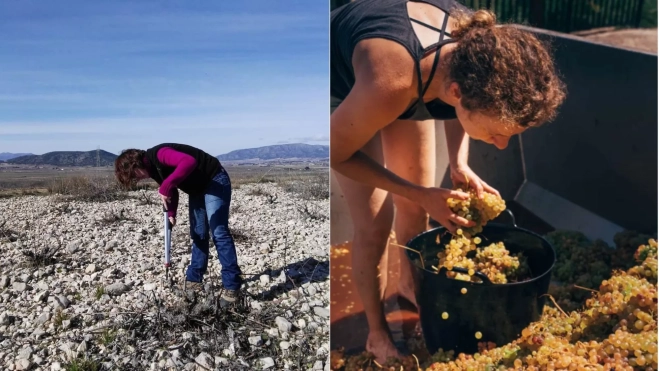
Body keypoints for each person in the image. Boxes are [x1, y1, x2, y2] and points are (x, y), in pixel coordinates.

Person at [330, 0, 566, 362]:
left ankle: (410, 285)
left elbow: (461, 107)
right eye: (496, 132)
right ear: (457, 93)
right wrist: (421, 193)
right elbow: (336, 154)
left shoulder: (478, 57)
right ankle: (377, 334)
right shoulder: (393, 80)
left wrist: (459, 163)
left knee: (414, 210)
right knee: (376, 225)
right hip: (345, 84)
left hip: (410, 76)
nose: (501, 145)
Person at [114, 143, 243, 308]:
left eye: (134, 175)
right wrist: (172, 213)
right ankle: (194, 281)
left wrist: (166, 185)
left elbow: (188, 162)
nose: (137, 179)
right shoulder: (153, 170)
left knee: (218, 232)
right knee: (198, 234)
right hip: (196, 189)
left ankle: (232, 286)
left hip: (214, 179)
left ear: (135, 163)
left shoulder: (160, 154)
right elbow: (172, 190)